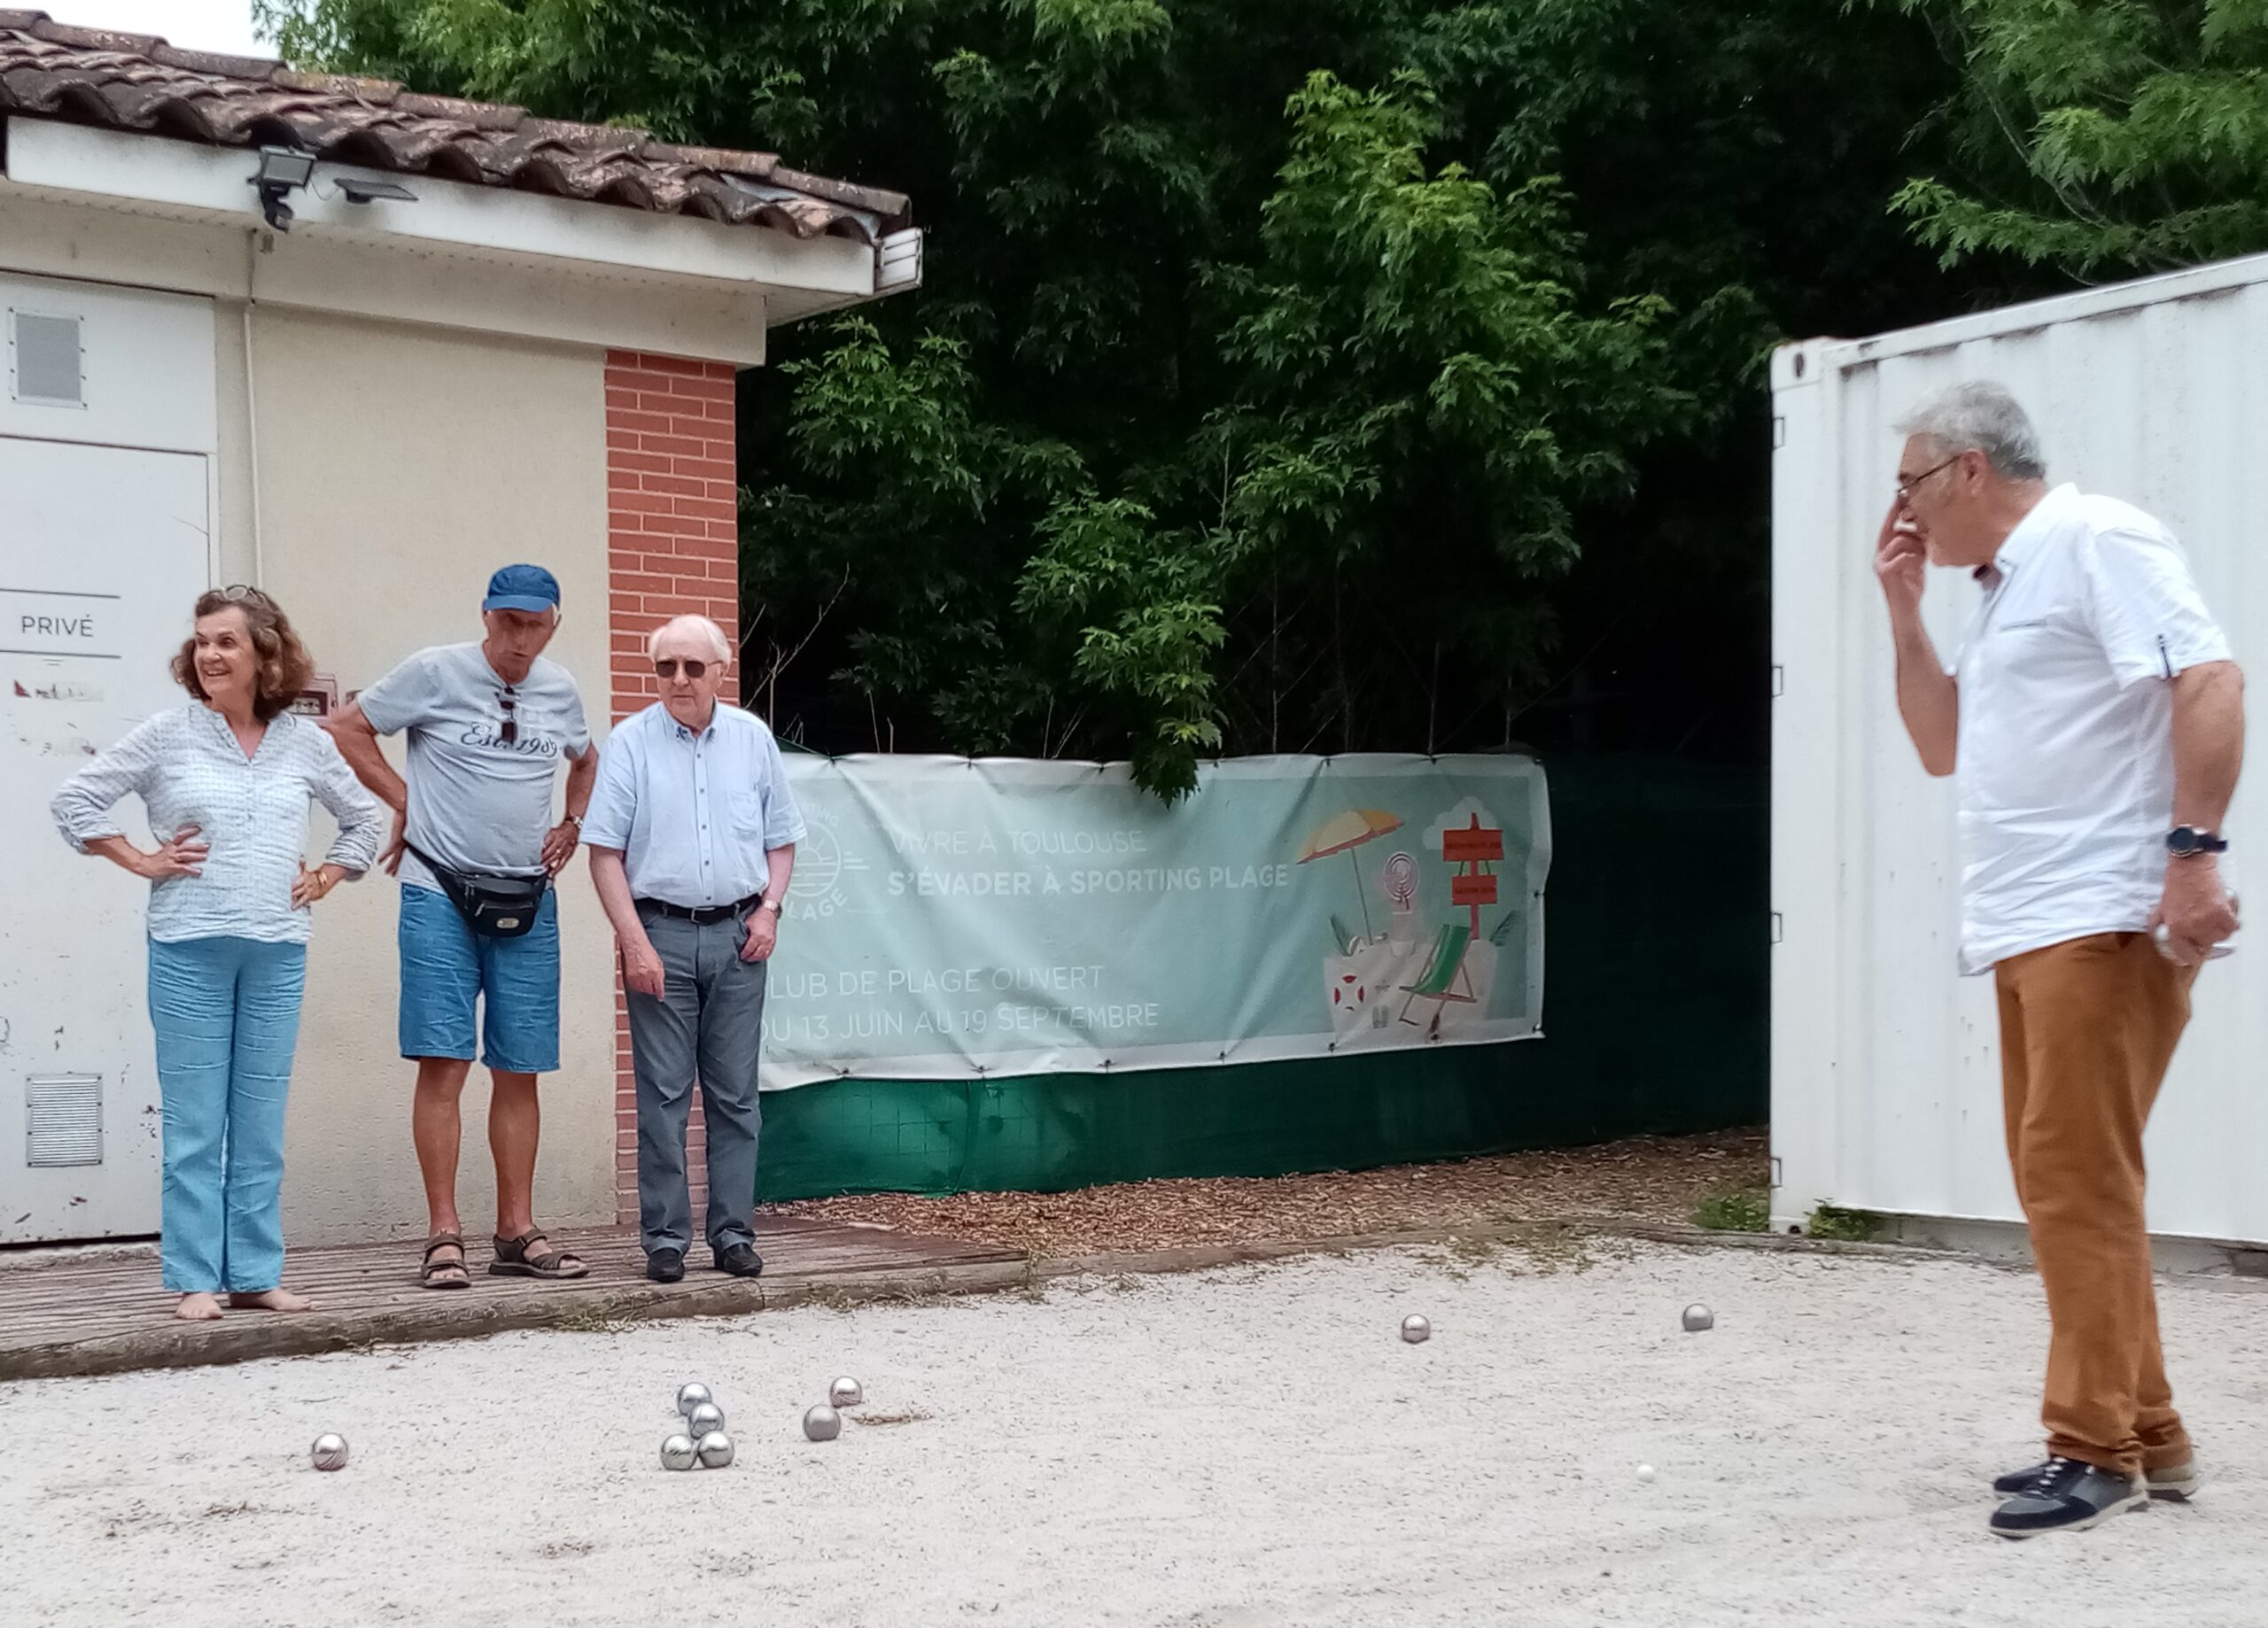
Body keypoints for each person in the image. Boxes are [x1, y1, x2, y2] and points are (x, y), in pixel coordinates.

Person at [1873, 381, 2245, 1539]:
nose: (1902, 508)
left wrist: (2193, 857)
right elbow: (1941, 746)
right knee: (2070, 1183)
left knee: (2077, 1181)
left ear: (1969, 470)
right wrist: (1904, 613)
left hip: (2101, 915)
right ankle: (2152, 1433)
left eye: (1910, 483)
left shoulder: (2096, 537)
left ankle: (2091, 1447)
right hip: (2027, 925)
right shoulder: (2004, 592)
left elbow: (2211, 678)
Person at [50, 586, 385, 1322]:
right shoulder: (168, 734)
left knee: (260, 1123)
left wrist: (327, 876)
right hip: (188, 949)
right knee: (196, 1126)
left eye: (226, 641)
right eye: (201, 642)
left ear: (265, 653)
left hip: (277, 951)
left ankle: (255, 1274)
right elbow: (75, 802)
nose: (209, 654)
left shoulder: (305, 743)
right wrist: (142, 860)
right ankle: (195, 1279)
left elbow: (365, 818)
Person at [329, 565, 598, 1290]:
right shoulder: (435, 672)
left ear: (553, 625)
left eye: (534, 625)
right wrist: (405, 800)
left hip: (527, 896)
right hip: (438, 889)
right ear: (485, 616)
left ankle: (516, 1230)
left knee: (520, 1066)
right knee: (443, 1061)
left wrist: (572, 823)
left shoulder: (560, 689)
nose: (519, 638)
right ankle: (443, 1234)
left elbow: (586, 759)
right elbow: (347, 728)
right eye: (508, 622)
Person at [584, 614, 803, 1283]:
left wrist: (769, 912)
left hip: (740, 935)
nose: (678, 679)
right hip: (661, 935)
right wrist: (634, 943)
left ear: (720, 671)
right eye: (665, 667)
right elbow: (604, 853)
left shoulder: (753, 739)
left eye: (692, 666)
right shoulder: (629, 743)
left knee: (736, 1097)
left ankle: (733, 1234)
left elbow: (781, 839)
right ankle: (665, 1239)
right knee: (663, 1096)